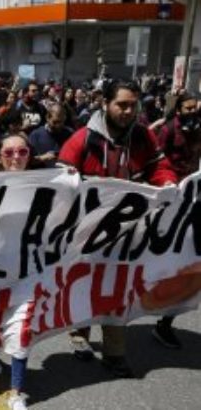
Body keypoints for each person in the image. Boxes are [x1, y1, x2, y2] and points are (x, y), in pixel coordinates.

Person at [58, 80, 178, 378]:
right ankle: (79, 332)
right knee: (84, 285)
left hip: (128, 231)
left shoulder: (143, 136)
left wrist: (168, 183)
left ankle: (114, 354)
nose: (127, 111)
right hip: (86, 233)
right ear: (105, 104)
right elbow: (59, 184)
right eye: (121, 105)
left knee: (117, 289)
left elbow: (158, 167)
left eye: (132, 105)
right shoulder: (81, 140)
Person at [0, 133, 49, 410]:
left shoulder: (46, 183)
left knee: (23, 330)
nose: (16, 158)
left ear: (30, 155)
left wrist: (69, 180)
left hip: (28, 271)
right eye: (8, 153)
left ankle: (17, 392)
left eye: (22, 152)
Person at [152, 93, 201, 348]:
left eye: (195, 107)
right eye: (188, 108)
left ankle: (166, 323)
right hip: (170, 195)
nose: (193, 112)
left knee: (188, 261)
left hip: (193, 197)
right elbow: (157, 161)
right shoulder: (168, 130)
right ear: (179, 109)